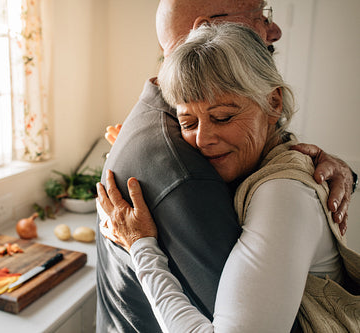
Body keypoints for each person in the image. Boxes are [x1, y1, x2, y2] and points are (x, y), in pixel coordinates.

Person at [96, 1, 357, 331]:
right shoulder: (254, 158)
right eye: (188, 123)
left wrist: (141, 247)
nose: (203, 140)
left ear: (273, 102)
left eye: (223, 117)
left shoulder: (283, 195)